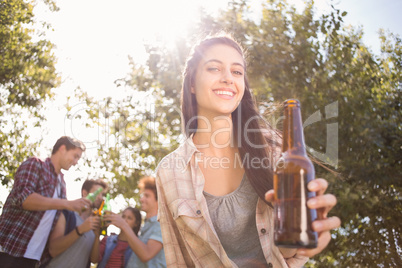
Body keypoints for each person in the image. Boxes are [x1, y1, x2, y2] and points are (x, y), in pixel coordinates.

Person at [155, 33, 341, 267]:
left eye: (237, 72)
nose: (227, 79)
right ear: (191, 83)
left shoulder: (273, 147)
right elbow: (177, 258)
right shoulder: (169, 171)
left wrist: (303, 237)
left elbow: (285, 250)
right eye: (214, 69)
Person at [0, 136, 91, 268]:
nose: (76, 162)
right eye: (75, 156)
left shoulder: (62, 184)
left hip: (34, 258)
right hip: (10, 249)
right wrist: (66, 204)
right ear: (62, 148)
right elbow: (24, 199)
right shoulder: (36, 164)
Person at [44, 179, 108, 268]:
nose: (101, 198)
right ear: (85, 193)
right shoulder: (67, 214)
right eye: (97, 193)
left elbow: (94, 260)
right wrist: (81, 229)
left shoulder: (95, 224)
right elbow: (53, 250)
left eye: (102, 194)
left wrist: (97, 236)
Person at [106, 176, 166, 268]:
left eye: (147, 196)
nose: (142, 199)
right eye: (143, 196)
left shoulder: (160, 224)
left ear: (158, 200)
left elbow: (146, 254)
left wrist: (123, 225)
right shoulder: (146, 226)